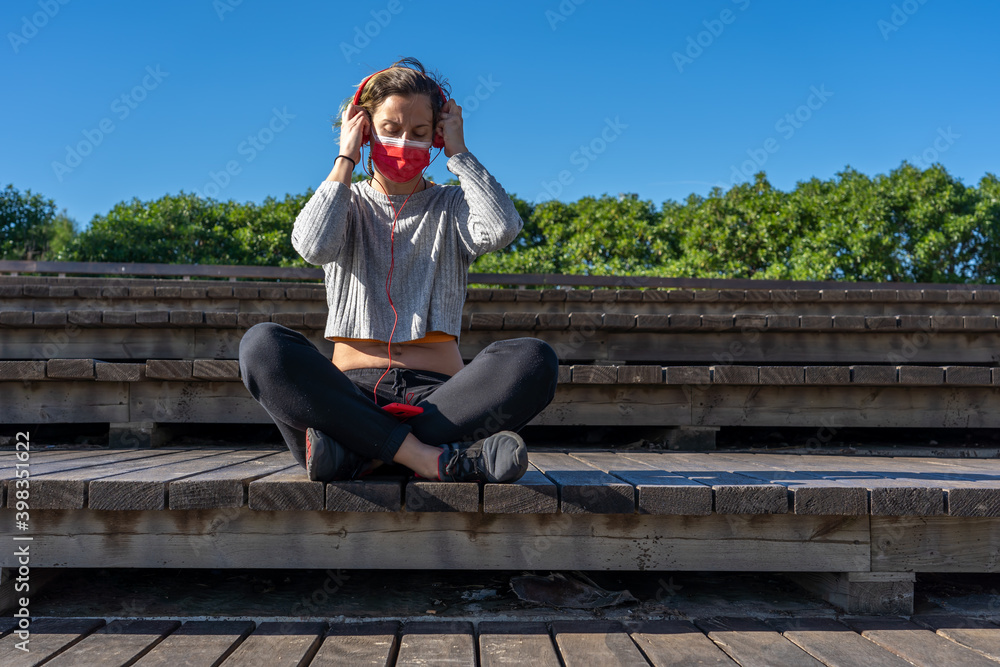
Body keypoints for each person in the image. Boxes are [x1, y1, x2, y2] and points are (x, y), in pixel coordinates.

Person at [238, 57, 559, 484]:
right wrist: (344, 157)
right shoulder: (343, 202)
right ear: (366, 127)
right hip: (349, 394)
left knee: (534, 359)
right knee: (262, 346)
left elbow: (500, 228)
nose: (404, 142)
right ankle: (437, 457)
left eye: (420, 133)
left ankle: (359, 453)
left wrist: (460, 153)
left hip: (441, 397)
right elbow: (313, 246)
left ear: (437, 136)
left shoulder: (452, 206)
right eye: (390, 129)